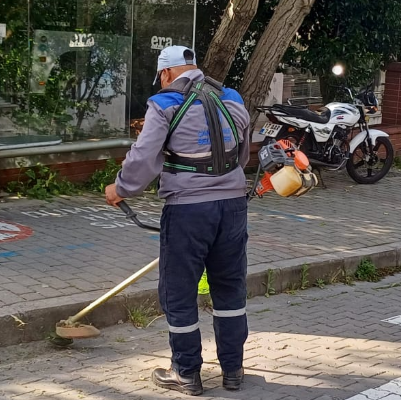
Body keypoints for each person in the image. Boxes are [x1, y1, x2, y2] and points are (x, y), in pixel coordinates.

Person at [104, 46, 251, 396]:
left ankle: (185, 372)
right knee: (230, 288)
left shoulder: (165, 103)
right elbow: (242, 153)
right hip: (232, 207)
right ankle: (233, 369)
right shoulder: (231, 97)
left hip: (188, 211)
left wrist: (120, 188)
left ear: (167, 74)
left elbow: (143, 157)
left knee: (179, 290)